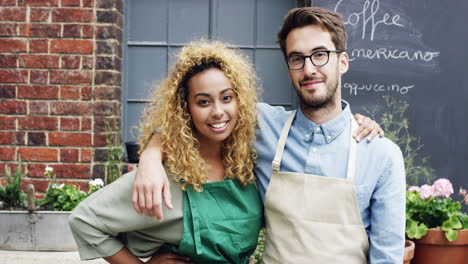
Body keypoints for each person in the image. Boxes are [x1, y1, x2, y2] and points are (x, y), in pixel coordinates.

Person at [132, 6, 406, 264]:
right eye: (297, 59)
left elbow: (387, 258)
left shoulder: (381, 155)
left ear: (343, 61)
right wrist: (150, 157)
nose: (309, 69)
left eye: (320, 54)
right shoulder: (261, 125)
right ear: (288, 68)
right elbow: (191, 117)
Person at [68, 41, 264, 264]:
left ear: (240, 101)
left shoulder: (251, 161)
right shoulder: (165, 176)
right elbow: (84, 220)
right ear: (185, 108)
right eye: (203, 102)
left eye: (227, 98)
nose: (218, 111)